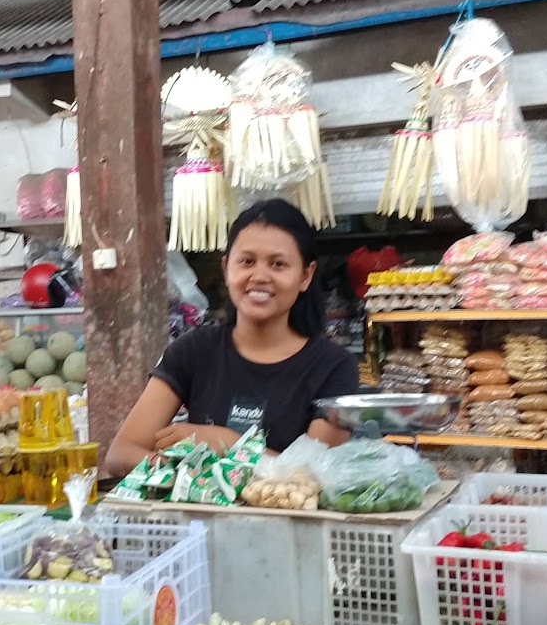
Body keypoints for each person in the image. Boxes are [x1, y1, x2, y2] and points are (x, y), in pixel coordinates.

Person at [105, 198, 359, 475]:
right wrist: (185, 471)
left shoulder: (334, 367)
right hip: (200, 517)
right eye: (247, 261)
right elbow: (121, 454)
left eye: (278, 264)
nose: (260, 275)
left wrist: (231, 444)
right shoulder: (193, 351)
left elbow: (317, 474)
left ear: (305, 276)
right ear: (226, 268)